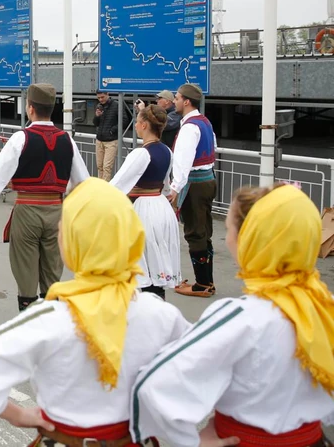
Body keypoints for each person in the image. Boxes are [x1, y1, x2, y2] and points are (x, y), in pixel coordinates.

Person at [0, 178, 189, 444]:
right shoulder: (161, 315)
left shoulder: (49, 318)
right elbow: (201, 372)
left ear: (72, 243)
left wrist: (18, 415)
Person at [131, 184, 334, 447]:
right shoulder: (324, 308)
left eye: (230, 231)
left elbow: (152, 385)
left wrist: (191, 441)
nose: (228, 240)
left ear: (250, 241)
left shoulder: (241, 318)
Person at [0, 84, 89, 312]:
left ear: (30, 108)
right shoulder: (67, 140)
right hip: (57, 212)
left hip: (27, 209)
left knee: (25, 273)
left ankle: (29, 317)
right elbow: (83, 183)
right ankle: (52, 323)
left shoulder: (21, 138)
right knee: (53, 276)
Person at [109, 104, 181, 300]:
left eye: (137, 122)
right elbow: (165, 185)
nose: (136, 125)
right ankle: (158, 304)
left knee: (145, 262)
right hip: (161, 207)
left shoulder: (141, 153)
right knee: (157, 259)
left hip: (145, 209)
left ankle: (150, 306)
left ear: (144, 125)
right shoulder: (167, 151)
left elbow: (117, 184)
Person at [167, 83, 218, 297]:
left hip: (195, 184)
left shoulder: (189, 127)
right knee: (204, 231)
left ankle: (202, 284)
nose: (175, 101)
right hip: (208, 179)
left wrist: (175, 188)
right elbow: (213, 147)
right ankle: (207, 281)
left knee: (195, 232)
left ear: (186, 101)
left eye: (177, 98)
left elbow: (183, 161)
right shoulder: (204, 122)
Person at [93, 90, 121, 181]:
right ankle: (101, 185)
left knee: (107, 167)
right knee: (100, 166)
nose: (100, 99)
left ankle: (104, 186)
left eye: (102, 97)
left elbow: (124, 120)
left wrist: (112, 130)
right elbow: (95, 123)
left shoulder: (116, 105)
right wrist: (97, 116)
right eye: (98, 98)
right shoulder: (99, 106)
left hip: (111, 141)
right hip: (100, 139)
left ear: (107, 94)